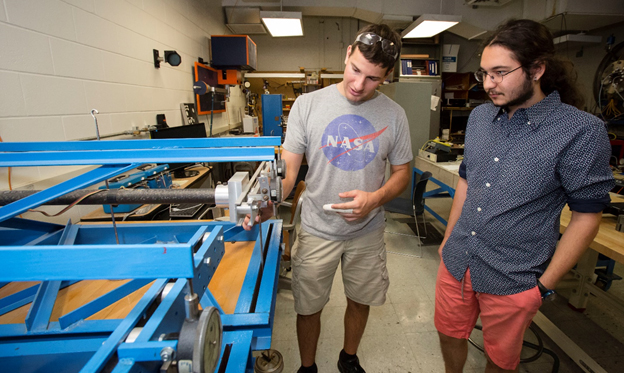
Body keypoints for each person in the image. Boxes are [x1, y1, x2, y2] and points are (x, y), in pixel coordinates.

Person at [434, 19, 615, 373]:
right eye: (484, 73)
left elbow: (587, 216)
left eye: (500, 72)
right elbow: (467, 183)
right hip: (457, 261)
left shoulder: (580, 131)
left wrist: (543, 286)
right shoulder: (481, 118)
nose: (489, 84)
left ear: (536, 69)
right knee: (448, 333)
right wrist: (447, 240)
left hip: (513, 276)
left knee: (501, 361)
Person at [245, 23, 413, 372]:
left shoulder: (394, 116)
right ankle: (308, 366)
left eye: (372, 79)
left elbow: (402, 175)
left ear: (386, 77)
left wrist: (375, 198)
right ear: (347, 53)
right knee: (308, 307)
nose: (358, 84)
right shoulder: (307, 106)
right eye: (355, 71)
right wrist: (267, 202)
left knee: (361, 299)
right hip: (317, 228)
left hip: (366, 233)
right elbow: (289, 174)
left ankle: (348, 357)